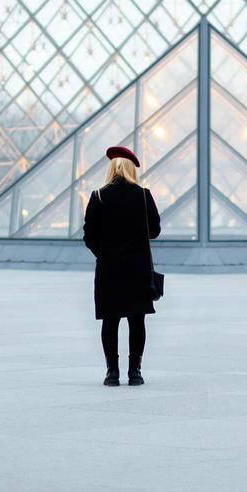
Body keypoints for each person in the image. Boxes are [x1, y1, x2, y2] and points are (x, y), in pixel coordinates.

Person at [82, 145, 161, 387]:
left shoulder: (98, 196)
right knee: (137, 321)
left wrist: (104, 254)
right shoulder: (143, 195)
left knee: (110, 321)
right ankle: (135, 372)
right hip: (138, 270)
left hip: (109, 270)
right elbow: (154, 231)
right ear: (131, 169)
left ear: (111, 168)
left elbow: (89, 236)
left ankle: (112, 373)